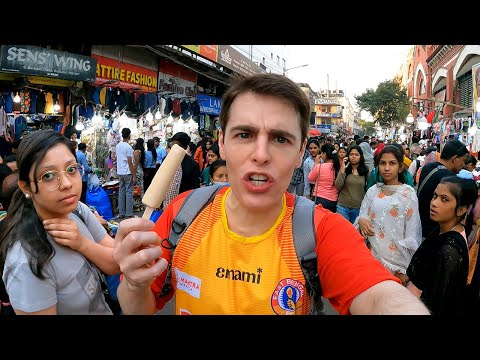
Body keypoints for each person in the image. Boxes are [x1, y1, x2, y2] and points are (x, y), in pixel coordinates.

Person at [112, 73, 429, 315]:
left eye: (280, 139)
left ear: (301, 150)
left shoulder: (321, 231)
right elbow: (136, 306)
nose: (260, 154)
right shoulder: (183, 213)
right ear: (222, 142)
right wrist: (134, 282)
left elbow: (380, 297)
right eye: (245, 134)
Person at [0, 129, 120, 314]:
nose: (66, 183)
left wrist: (82, 244)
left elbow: (116, 262)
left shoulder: (78, 210)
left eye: (71, 169)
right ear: (27, 187)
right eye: (48, 176)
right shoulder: (27, 262)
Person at [407, 176, 477, 315]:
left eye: (445, 199)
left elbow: (439, 302)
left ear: (461, 210)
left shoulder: (449, 250)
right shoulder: (442, 229)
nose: (434, 203)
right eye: (435, 196)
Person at [356, 145, 422, 285]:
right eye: (382, 163)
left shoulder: (407, 194)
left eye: (392, 163)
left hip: (397, 264)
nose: (386, 168)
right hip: (372, 258)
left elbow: (412, 233)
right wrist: (361, 220)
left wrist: (405, 269)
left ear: (400, 167)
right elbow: (362, 214)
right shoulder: (373, 191)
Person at [417, 140, 469, 239]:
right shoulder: (448, 179)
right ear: (454, 159)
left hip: (420, 225)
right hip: (432, 230)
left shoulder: (427, 167)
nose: (463, 165)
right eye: (462, 161)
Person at [335, 145, 370, 224]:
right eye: (351, 154)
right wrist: (342, 170)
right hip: (342, 206)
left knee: (354, 232)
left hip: (358, 207)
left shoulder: (365, 171)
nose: (353, 157)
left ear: (361, 157)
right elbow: (337, 185)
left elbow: (369, 189)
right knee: (342, 230)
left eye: (356, 155)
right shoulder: (345, 169)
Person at [307, 143, 340, 212]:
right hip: (333, 200)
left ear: (325, 154)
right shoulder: (338, 167)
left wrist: (316, 164)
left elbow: (310, 179)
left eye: (321, 153)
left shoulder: (320, 167)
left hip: (320, 197)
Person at [115, 128, 136, 220]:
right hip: (127, 172)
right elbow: (130, 162)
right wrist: (133, 175)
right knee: (129, 193)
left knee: (121, 192)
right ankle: (129, 213)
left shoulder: (118, 146)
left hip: (120, 172)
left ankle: (121, 213)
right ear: (129, 135)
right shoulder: (128, 147)